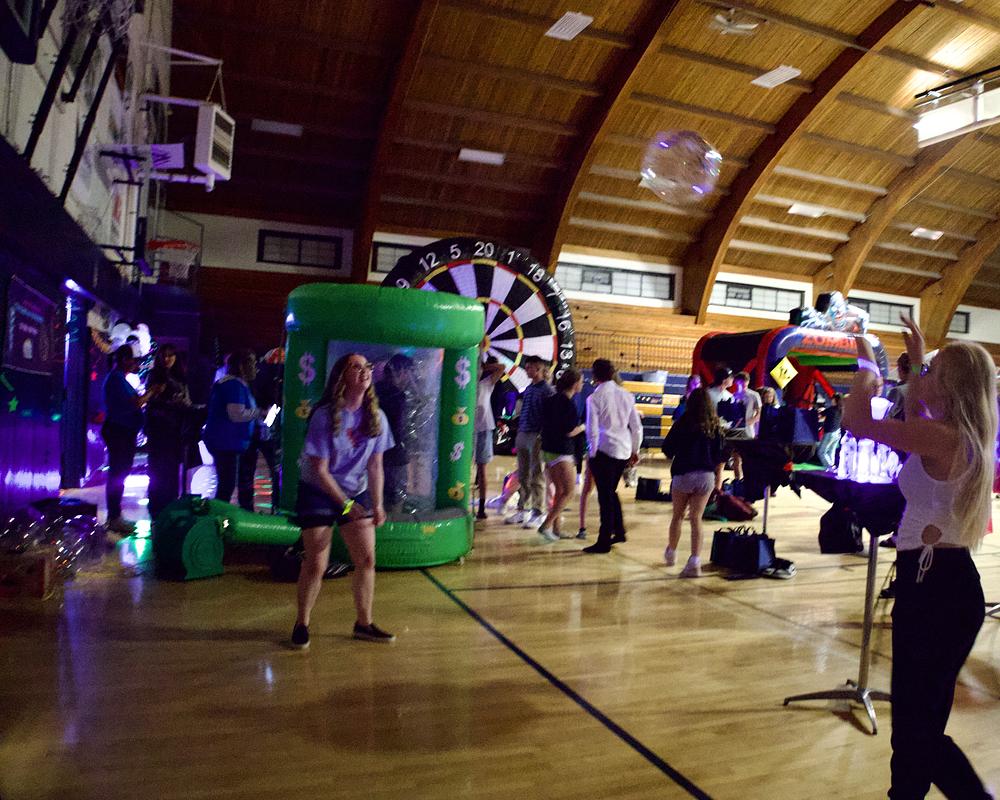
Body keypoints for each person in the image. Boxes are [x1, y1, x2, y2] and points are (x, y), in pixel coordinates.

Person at [843, 316, 996, 799]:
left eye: (931, 371)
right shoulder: (949, 434)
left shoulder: (945, 437)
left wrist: (868, 367)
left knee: (918, 730)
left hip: (937, 590)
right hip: (934, 584)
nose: (920, 375)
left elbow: (857, 423)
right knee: (914, 725)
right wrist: (915, 362)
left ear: (951, 387)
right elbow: (914, 417)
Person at [291, 353, 396, 649]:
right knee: (317, 562)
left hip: (354, 489)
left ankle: (364, 623)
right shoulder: (324, 416)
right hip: (318, 490)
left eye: (368, 367)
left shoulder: (377, 416)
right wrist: (346, 506)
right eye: (356, 367)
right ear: (342, 376)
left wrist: (377, 504)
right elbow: (320, 470)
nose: (365, 371)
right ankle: (301, 623)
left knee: (366, 559)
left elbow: (375, 465)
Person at [662, 388, 725, 578]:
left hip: (683, 473)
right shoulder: (715, 426)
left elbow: (667, 449)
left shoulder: (682, 423)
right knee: (696, 518)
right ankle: (695, 562)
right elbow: (720, 456)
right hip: (706, 476)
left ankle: (672, 553)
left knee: (678, 516)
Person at [582, 359, 643, 554]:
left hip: (604, 450)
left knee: (605, 496)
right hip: (623, 449)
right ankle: (619, 530)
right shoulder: (626, 395)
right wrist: (635, 450)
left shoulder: (594, 398)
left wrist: (592, 453)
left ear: (595, 375)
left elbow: (592, 430)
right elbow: (636, 427)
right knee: (610, 491)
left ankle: (604, 540)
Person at [102, 345, 160, 535]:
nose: (136, 364)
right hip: (119, 431)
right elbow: (136, 402)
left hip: (124, 431)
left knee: (120, 474)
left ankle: (115, 516)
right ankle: (114, 517)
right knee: (117, 475)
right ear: (124, 360)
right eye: (133, 360)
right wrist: (152, 391)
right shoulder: (116, 379)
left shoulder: (121, 379)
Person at [203, 349, 260, 508]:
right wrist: (259, 413)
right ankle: (217, 515)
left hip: (229, 442)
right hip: (226, 442)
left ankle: (218, 514)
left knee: (227, 484)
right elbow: (236, 414)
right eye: (252, 362)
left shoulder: (234, 384)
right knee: (226, 485)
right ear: (242, 365)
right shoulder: (234, 385)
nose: (255, 367)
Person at [537, 369, 585, 541]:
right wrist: (583, 427)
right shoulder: (568, 404)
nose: (582, 384)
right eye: (581, 381)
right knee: (569, 492)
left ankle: (556, 529)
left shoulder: (551, 400)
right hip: (562, 451)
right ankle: (546, 524)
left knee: (559, 491)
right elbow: (570, 431)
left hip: (547, 449)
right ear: (575, 384)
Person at [506, 355, 553, 529]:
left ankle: (538, 511)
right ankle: (523, 509)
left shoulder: (547, 390)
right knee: (523, 474)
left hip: (536, 436)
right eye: (526, 367)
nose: (527, 370)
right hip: (524, 433)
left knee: (536, 475)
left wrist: (542, 435)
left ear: (539, 369)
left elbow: (548, 415)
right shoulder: (529, 389)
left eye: (530, 367)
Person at [145, 345, 191, 520]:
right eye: (164, 356)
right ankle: (157, 507)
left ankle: (170, 505)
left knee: (171, 471)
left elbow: (187, 401)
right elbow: (151, 402)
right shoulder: (154, 375)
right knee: (157, 471)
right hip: (159, 430)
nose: (167, 359)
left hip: (175, 430)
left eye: (170, 355)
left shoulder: (180, 377)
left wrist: (183, 404)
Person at [374, 354, 414, 514]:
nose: (410, 377)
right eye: (409, 372)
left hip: (374, 453)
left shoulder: (374, 390)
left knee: (377, 494)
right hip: (394, 455)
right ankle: (393, 523)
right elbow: (400, 428)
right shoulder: (399, 396)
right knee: (395, 497)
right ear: (401, 371)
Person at [474, 356, 504, 519]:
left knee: (482, 469)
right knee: (473, 469)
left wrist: (484, 367)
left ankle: (481, 506)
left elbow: (501, 367)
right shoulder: (469, 384)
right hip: (471, 428)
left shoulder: (486, 383)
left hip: (484, 427)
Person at [708, 367, 735, 493]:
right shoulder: (708, 394)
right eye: (731, 377)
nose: (732, 380)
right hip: (710, 433)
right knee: (710, 466)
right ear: (724, 379)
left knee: (720, 467)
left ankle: (716, 495)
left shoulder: (730, 396)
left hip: (724, 434)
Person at [817, 393, 843, 469]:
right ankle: (831, 470)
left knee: (821, 452)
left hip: (830, 433)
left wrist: (820, 411)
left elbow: (820, 415)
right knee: (831, 452)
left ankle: (831, 468)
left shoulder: (831, 409)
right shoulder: (841, 410)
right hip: (837, 433)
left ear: (835, 400)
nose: (831, 400)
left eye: (832, 399)